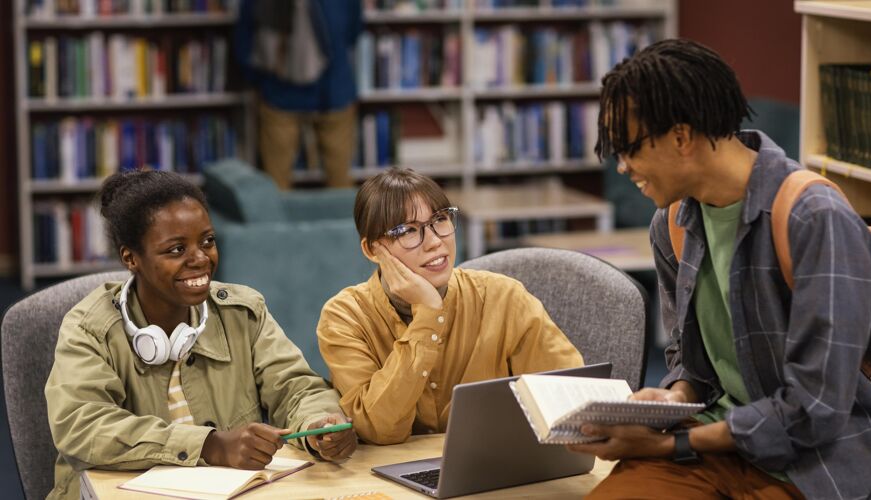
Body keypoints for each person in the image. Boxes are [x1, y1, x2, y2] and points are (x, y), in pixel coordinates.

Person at [567, 38, 871, 499]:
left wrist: (668, 444)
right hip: (712, 448)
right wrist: (674, 398)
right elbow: (688, 358)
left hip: (819, 465)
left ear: (680, 138)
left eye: (629, 149)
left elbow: (814, 411)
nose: (622, 167)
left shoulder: (814, 218)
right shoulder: (672, 223)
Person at [44, 171, 357, 500]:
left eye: (207, 241)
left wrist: (319, 426)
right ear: (130, 258)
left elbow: (297, 387)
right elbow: (81, 425)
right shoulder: (89, 329)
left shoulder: (242, 311)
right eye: (176, 249)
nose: (200, 259)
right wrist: (210, 445)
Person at [316, 168, 584, 445]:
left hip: (495, 468)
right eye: (408, 230)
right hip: (387, 479)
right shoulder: (344, 317)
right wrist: (427, 316)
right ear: (373, 250)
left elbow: (570, 396)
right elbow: (378, 430)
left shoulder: (504, 297)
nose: (434, 242)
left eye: (440, 219)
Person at [235, 0, 363, 189]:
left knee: (276, 186)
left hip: (284, 93)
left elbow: (245, 44)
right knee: (340, 184)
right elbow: (353, 33)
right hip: (330, 92)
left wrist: (262, 81)